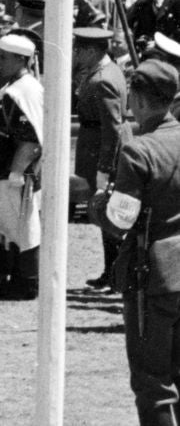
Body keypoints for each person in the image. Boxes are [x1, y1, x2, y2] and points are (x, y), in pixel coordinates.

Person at [93, 59, 180, 426]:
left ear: (138, 99)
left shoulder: (139, 150)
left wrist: (98, 203)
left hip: (154, 277)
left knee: (153, 381)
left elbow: (120, 220)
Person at [0, 33, 44, 301]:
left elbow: (31, 138)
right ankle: (12, 278)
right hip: (2, 164)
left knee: (22, 226)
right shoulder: (13, 85)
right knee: (6, 225)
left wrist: (17, 172)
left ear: (22, 59)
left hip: (14, 169)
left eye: (4, 57)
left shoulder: (24, 90)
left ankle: (26, 282)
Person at [73, 26, 132, 292]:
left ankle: (116, 273)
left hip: (102, 151)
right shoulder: (101, 73)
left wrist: (105, 168)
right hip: (94, 146)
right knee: (105, 214)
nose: (75, 55)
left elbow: (113, 127)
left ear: (91, 51)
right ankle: (111, 271)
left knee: (110, 213)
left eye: (79, 50)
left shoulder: (103, 79)